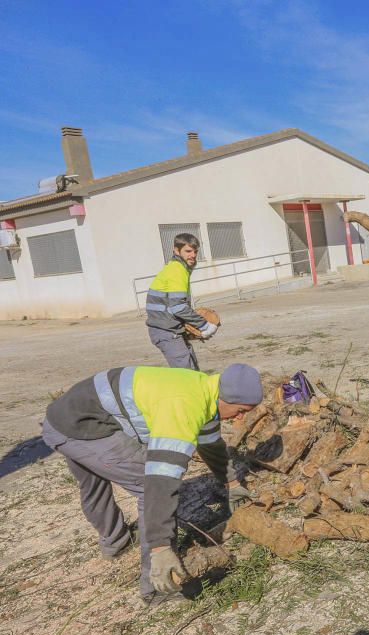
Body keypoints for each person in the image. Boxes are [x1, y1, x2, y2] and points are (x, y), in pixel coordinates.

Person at [41, 363, 263, 603]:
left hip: (65, 418)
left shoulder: (205, 390)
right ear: (225, 397)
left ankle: (115, 542)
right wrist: (160, 546)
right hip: (83, 427)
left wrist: (231, 482)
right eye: (240, 410)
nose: (241, 417)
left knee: (94, 483)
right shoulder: (184, 407)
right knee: (147, 486)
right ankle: (156, 586)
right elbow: (159, 481)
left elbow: (211, 446)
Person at [146, 233, 217, 369]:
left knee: (193, 370)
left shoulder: (176, 268)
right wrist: (204, 325)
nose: (193, 255)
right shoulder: (177, 270)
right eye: (188, 251)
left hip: (170, 330)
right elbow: (178, 307)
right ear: (176, 250)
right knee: (187, 375)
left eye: (195, 251)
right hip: (166, 331)